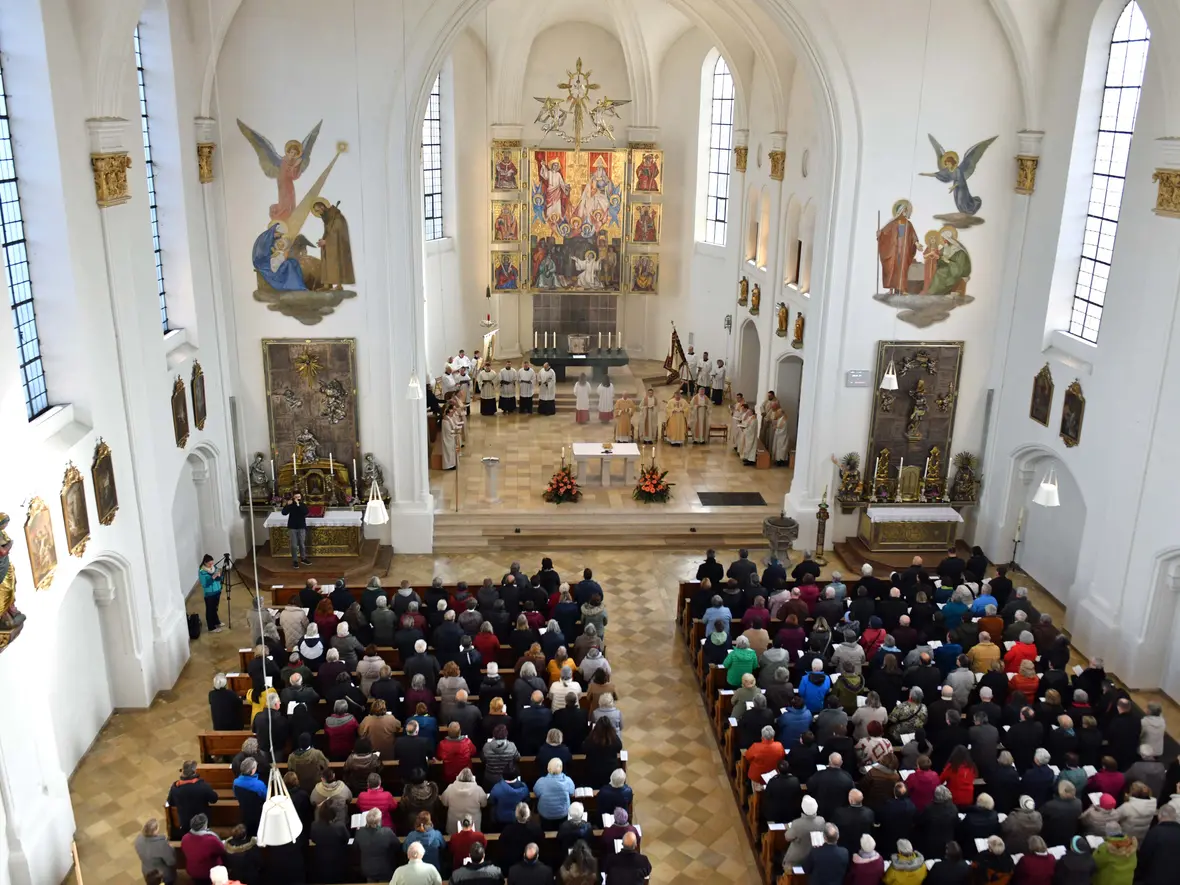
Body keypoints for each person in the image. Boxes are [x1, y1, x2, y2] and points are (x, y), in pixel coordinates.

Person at [181, 814, 225, 885]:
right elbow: (222, 850)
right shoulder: (211, 839)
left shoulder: (185, 838)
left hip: (193, 870)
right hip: (209, 872)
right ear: (204, 826)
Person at [135, 819, 177, 884]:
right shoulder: (161, 844)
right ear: (154, 831)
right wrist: (171, 849)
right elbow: (171, 861)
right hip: (162, 874)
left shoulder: (138, 839)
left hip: (147, 872)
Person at [280, 492, 310, 568]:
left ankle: (303, 558)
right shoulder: (291, 505)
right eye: (296, 497)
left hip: (301, 526)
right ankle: (295, 561)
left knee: (302, 544)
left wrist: (298, 504)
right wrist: (287, 505)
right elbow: (284, 513)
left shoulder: (302, 505)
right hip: (292, 527)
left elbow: (305, 512)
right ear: (293, 497)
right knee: (293, 545)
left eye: (298, 497)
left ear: (301, 497)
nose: (297, 498)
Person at [198, 555, 224, 633]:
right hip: (209, 594)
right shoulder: (202, 572)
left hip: (217, 591)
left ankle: (216, 622)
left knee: (215, 608)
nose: (211, 565)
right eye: (209, 564)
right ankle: (211, 627)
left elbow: (219, 579)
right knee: (210, 610)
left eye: (212, 563)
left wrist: (219, 576)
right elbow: (205, 584)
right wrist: (212, 577)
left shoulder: (214, 568)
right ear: (205, 563)